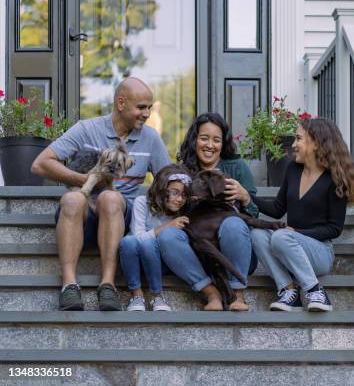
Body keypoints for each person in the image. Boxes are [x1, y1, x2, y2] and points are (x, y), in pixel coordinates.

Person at [31, 77, 171, 311]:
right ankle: (69, 285)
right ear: (121, 103)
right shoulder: (87, 129)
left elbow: (168, 180)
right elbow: (40, 164)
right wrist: (86, 180)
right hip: (81, 219)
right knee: (73, 198)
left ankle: (107, 285)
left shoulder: (151, 138)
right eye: (141, 107)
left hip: (117, 214)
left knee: (110, 198)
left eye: (149, 107)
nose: (147, 114)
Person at [250, 118, 354, 312]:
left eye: (298, 138)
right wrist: (247, 198)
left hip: (319, 252)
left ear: (316, 143)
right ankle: (288, 291)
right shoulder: (293, 169)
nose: (293, 144)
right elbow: (277, 209)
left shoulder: (333, 179)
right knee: (257, 235)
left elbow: (334, 229)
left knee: (282, 236)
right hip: (289, 243)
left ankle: (315, 291)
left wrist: (297, 233)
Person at [159, 112, 257, 311]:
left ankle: (236, 293)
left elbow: (254, 216)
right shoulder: (182, 171)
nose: (209, 145)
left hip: (235, 251)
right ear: (195, 140)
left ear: (223, 143)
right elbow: (169, 210)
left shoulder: (237, 168)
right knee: (167, 236)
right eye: (204, 138)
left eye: (216, 140)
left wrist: (245, 197)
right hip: (198, 253)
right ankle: (211, 293)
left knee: (233, 223)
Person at [119, 164, 192, 312]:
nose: (179, 199)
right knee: (128, 241)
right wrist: (167, 226)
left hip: (163, 262)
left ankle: (156, 295)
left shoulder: (183, 211)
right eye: (175, 192)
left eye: (184, 195)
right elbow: (138, 236)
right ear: (162, 189)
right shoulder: (142, 202)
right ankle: (136, 294)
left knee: (147, 244)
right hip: (136, 260)